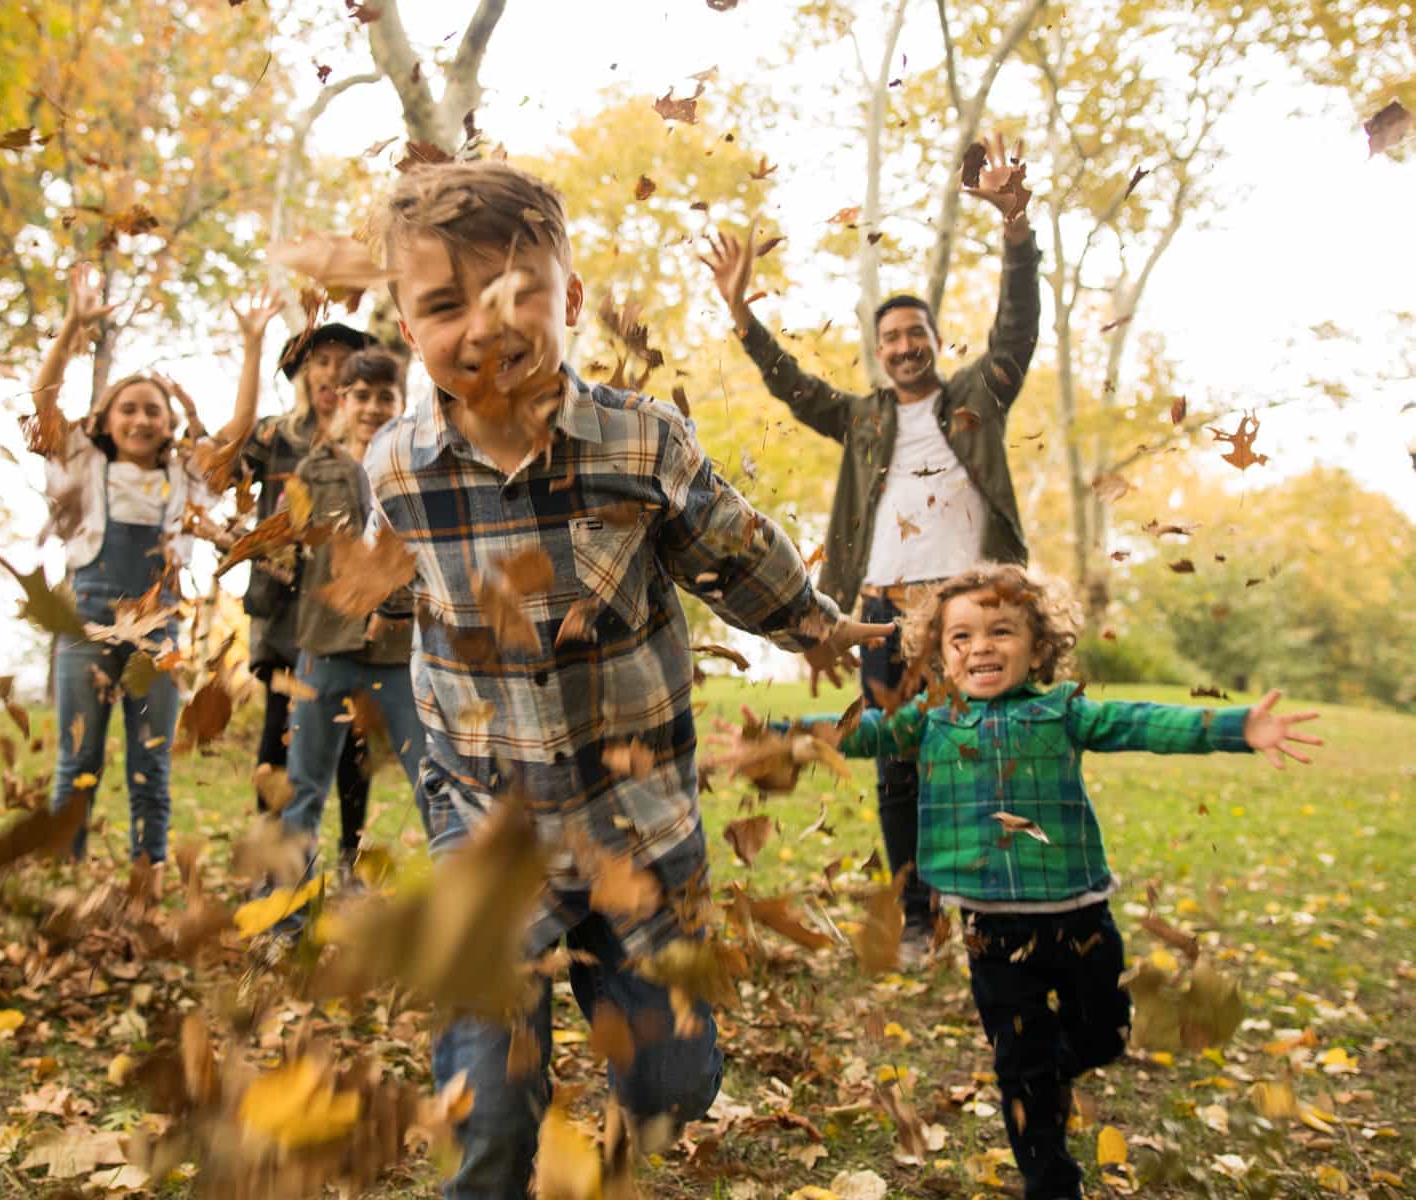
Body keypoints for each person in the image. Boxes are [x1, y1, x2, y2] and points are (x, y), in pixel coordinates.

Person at [360, 159, 895, 1199]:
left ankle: (633, 1113)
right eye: (442, 305)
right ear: (406, 322)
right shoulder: (397, 467)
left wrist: (815, 629)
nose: (484, 325)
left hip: (634, 813)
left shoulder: (642, 443)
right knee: (488, 1104)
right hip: (487, 811)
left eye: (516, 293)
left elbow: (735, 550)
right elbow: (385, 581)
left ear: (566, 298)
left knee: (672, 1077)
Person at [718, 562, 1322, 1200]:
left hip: (1080, 917)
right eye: (961, 637)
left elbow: (1144, 722)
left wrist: (1237, 728)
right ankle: (1049, 1177)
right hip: (992, 932)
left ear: (1039, 644)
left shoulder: (1063, 710)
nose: (981, 646)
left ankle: (1046, 1075)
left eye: (1001, 631)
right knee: (1019, 1061)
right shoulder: (927, 719)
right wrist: (779, 741)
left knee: (1105, 1033)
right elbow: (855, 733)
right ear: (937, 653)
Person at [701, 134, 1043, 961]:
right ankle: (916, 916)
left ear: (933, 339)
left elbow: (1017, 329)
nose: (902, 347)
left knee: (982, 755)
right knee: (897, 762)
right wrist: (742, 315)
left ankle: (988, 913)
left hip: (968, 606)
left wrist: (1017, 228)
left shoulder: (976, 396)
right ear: (879, 352)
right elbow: (793, 388)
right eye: (888, 339)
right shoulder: (863, 420)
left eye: (914, 334)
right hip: (887, 612)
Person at [32, 263, 276, 876]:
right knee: (77, 762)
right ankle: (66, 876)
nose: (142, 421)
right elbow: (44, 399)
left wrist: (252, 345)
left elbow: (238, 430)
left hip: (159, 638)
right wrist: (72, 326)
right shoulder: (82, 465)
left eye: (154, 412)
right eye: (129, 410)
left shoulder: (182, 478)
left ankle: (148, 873)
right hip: (86, 628)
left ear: (170, 424)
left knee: (151, 766)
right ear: (107, 418)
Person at [281, 347, 429, 887]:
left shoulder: (420, 468)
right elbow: (287, 545)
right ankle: (287, 914)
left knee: (432, 782)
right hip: (325, 646)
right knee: (305, 786)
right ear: (341, 401)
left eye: (384, 397)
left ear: (402, 401)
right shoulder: (315, 469)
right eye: (360, 396)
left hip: (400, 653)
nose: (371, 407)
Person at [239, 322, 375, 852]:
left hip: (349, 611)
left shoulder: (373, 442)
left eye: (346, 362)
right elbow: (228, 459)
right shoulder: (277, 437)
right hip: (284, 617)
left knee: (351, 744)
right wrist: (252, 350)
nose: (333, 371)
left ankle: (351, 861)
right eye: (322, 360)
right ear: (302, 372)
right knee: (279, 738)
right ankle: (274, 866)